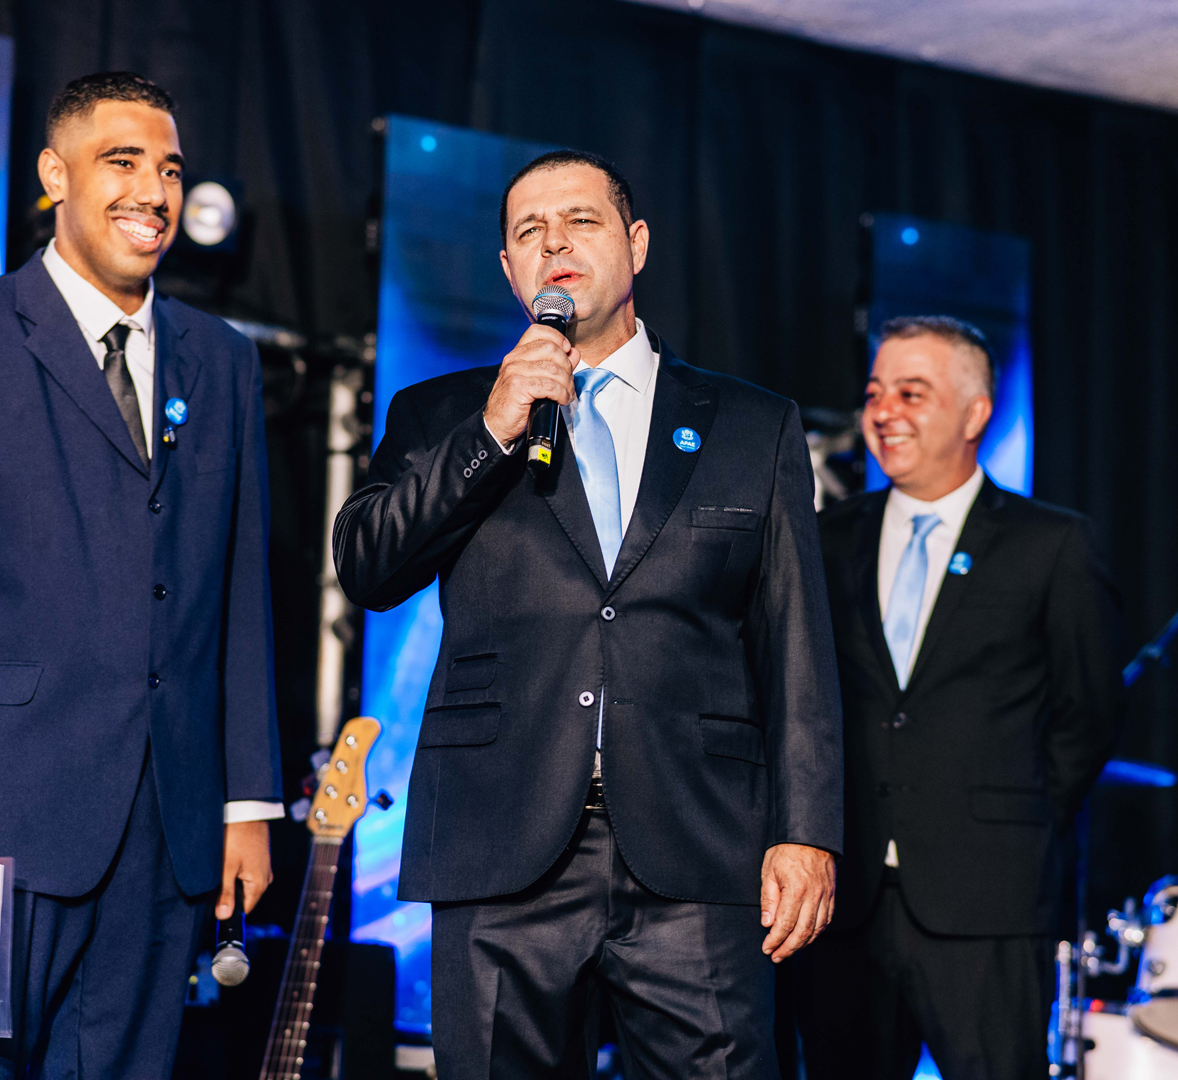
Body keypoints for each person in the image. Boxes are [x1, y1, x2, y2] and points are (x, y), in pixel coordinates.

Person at [334, 149, 842, 1077]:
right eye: (529, 231)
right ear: (508, 270)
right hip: (500, 842)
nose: (555, 244)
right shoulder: (443, 413)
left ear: (636, 244)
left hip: (698, 846)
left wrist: (805, 831)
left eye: (581, 221)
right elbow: (368, 566)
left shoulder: (751, 424)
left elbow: (795, 642)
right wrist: (492, 430)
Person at [0, 72, 282, 1076]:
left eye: (170, 170)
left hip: (165, 834)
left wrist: (249, 803)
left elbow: (239, 594)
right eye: (122, 162)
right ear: (56, 175)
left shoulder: (222, 360)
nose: (154, 192)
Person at [791, 316, 1124, 1079]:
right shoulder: (824, 538)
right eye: (875, 393)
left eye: (912, 393)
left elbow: (1090, 715)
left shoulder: (1052, 545)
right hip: (845, 900)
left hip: (989, 900)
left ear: (975, 414)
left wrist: (1011, 816)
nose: (884, 412)